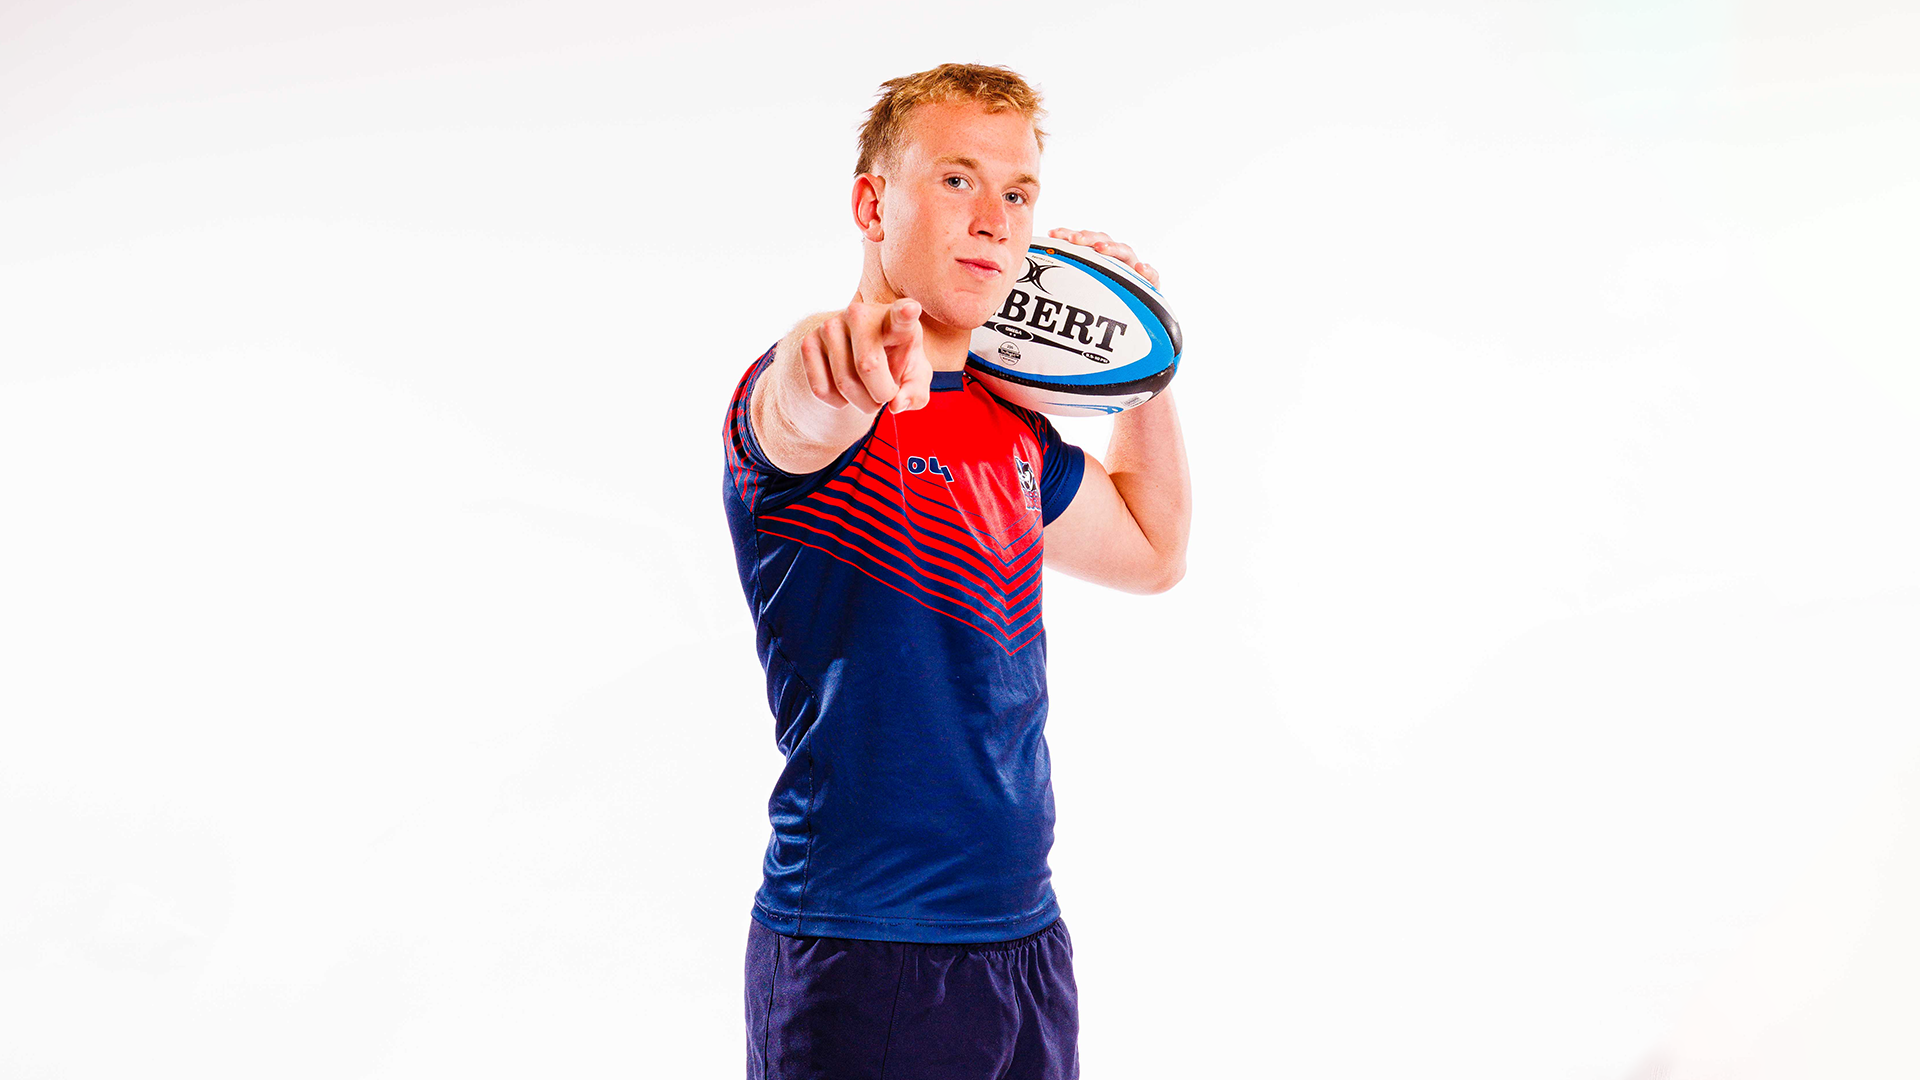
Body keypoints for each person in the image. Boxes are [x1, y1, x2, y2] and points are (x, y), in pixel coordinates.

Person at [720, 62, 1191, 1080]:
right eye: (956, 180)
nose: (994, 218)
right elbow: (799, 409)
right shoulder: (819, 397)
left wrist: (1142, 365)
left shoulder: (1009, 429)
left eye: (1018, 193)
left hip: (1022, 936)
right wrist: (830, 354)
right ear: (871, 202)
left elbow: (1155, 551)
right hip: (865, 947)